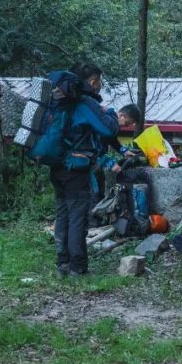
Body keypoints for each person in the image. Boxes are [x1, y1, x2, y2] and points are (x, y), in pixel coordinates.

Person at [48, 68, 119, 277]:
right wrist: (111, 114)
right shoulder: (85, 103)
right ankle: (77, 267)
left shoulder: (57, 101)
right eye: (100, 82)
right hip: (76, 169)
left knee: (62, 215)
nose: (100, 86)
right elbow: (109, 130)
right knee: (77, 217)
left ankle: (63, 264)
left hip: (56, 165)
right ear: (93, 81)